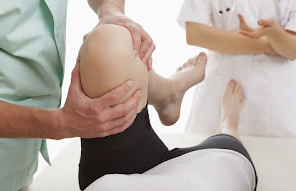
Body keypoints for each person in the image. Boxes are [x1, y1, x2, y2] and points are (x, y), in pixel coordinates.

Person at [0, 0, 156, 190]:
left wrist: (110, 10)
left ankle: (165, 91)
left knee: (113, 41)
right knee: (108, 47)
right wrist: (62, 124)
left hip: (19, 161)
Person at [77, 24, 257, 190]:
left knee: (107, 42)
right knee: (227, 138)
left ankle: (168, 92)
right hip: (205, 171)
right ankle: (227, 122)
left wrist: (63, 124)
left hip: (113, 178)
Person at [177, 0, 296, 137]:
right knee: (209, 157)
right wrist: (267, 43)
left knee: (273, 159)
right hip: (219, 89)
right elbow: (195, 34)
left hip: (274, 102)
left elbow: (292, 49)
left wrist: (275, 34)